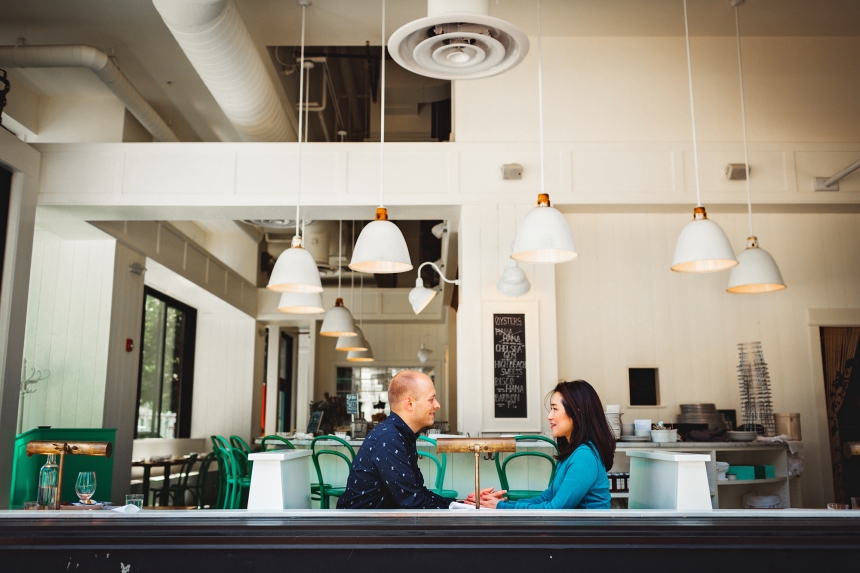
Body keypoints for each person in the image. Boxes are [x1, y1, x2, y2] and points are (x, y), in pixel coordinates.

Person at [470, 380, 615, 509]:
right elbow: (547, 497)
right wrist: (502, 504)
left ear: (577, 411)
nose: (549, 416)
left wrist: (502, 507)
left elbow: (556, 509)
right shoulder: (574, 452)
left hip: (587, 536)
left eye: (555, 409)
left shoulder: (584, 456)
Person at [336, 370, 455, 509]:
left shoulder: (400, 434)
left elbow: (417, 495)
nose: (437, 405)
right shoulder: (389, 438)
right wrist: (460, 508)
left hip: (375, 524)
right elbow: (413, 502)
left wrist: (460, 505)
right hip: (360, 527)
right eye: (431, 399)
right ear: (409, 403)